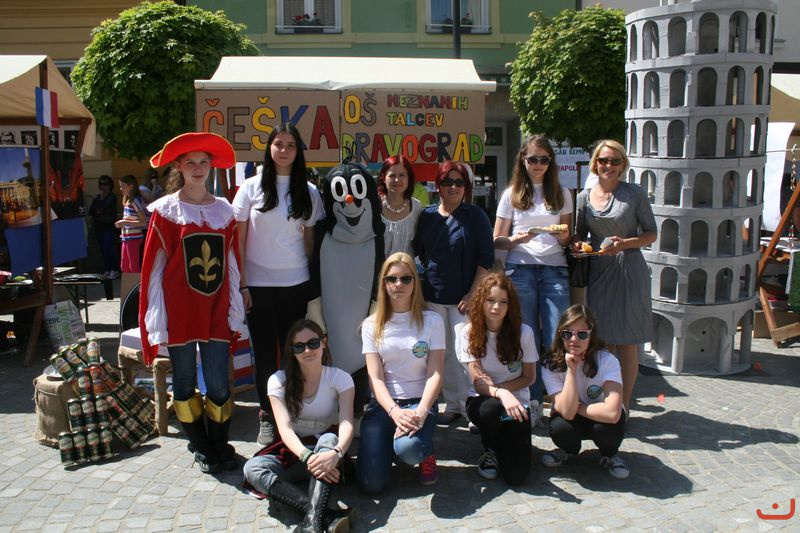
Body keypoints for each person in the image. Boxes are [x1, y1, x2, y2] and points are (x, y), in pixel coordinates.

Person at [138, 132, 246, 474]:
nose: (198, 169)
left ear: (210, 166)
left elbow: (232, 262)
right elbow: (154, 269)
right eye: (191, 163)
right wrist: (157, 314)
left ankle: (220, 444)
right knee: (184, 381)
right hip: (180, 309)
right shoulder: (166, 212)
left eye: (203, 162)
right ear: (180, 167)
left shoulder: (224, 211)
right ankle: (200, 445)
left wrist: (235, 302)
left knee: (218, 383)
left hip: (215, 308)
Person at [232, 123, 325, 447]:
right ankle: (268, 416)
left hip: (295, 284)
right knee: (264, 356)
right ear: (269, 148)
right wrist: (243, 285)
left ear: (298, 152)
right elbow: (238, 241)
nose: (284, 150)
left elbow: (310, 243)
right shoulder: (250, 188)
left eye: (290, 145)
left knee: (295, 353)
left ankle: (293, 412)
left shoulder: (309, 192)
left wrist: (311, 283)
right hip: (257, 286)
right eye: (278, 144)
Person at [243, 319, 354, 532]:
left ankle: (311, 526)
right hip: (295, 453)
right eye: (299, 346)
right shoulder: (278, 380)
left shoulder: (341, 378)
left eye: (313, 343)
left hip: (327, 455)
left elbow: (347, 423)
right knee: (252, 468)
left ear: (324, 343)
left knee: (329, 439)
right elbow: (284, 429)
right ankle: (323, 517)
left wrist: (337, 453)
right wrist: (307, 456)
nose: (307, 350)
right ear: (292, 351)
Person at [573, 140, 657, 409]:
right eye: (603, 160)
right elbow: (579, 234)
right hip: (600, 273)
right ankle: (606, 400)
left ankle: (624, 406)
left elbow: (651, 234)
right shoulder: (584, 197)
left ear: (623, 165)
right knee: (602, 341)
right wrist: (577, 244)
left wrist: (626, 243)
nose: (608, 165)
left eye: (614, 161)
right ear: (595, 163)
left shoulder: (634, 194)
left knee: (628, 343)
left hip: (629, 270)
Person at [493, 135, 572, 417]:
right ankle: (534, 400)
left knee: (557, 337)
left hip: (554, 268)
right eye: (533, 159)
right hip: (521, 268)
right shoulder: (511, 194)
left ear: (551, 162)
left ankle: (560, 400)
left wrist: (563, 235)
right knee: (527, 338)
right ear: (523, 161)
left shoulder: (562, 193)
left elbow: (567, 238)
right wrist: (516, 239)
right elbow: (497, 239)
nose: (538, 165)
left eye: (544, 159)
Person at [413, 160, 494, 425]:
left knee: (468, 353)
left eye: (459, 182)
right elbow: (420, 254)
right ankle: (453, 405)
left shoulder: (475, 216)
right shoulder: (427, 216)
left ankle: (473, 405)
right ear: (438, 185)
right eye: (448, 182)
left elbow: (485, 259)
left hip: (465, 299)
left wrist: (472, 294)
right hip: (434, 297)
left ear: (466, 187)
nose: (453, 187)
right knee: (443, 353)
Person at [358, 252, 445, 492]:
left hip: (419, 402)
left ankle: (424, 451)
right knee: (371, 485)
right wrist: (395, 412)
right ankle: (389, 443)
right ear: (383, 283)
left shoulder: (433, 321)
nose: (399, 284)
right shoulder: (371, 325)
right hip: (384, 406)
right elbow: (375, 378)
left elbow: (435, 374)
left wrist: (421, 412)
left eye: (406, 278)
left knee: (410, 450)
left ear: (415, 282)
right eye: (392, 279)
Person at [457, 273, 537, 485]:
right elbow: (478, 382)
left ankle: (504, 440)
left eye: (503, 302)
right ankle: (490, 449)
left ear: (511, 305)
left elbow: (529, 377)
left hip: (517, 403)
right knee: (490, 409)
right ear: (481, 301)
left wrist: (504, 391)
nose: (496, 307)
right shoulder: (469, 332)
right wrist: (501, 393)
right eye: (490, 300)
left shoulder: (524, 333)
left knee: (517, 477)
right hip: (483, 400)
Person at [540, 304, 629, 479]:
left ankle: (610, 454)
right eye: (567, 334)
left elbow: (612, 413)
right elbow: (566, 413)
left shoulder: (607, 360)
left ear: (591, 335)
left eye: (581, 334)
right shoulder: (550, 364)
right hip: (578, 416)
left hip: (602, 418)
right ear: (560, 335)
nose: (574, 339)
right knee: (560, 427)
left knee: (607, 429)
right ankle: (567, 450)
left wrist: (576, 407)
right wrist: (571, 371)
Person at [378, 155, 423, 256]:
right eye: (392, 175)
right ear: (384, 178)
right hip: (377, 266)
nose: (397, 180)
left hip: (407, 265)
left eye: (402, 175)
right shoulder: (374, 206)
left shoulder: (416, 207)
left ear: (408, 178)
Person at [115, 174, 147, 274]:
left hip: (134, 237)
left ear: (131, 186)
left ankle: (136, 284)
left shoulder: (136, 200)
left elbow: (143, 221)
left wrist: (125, 222)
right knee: (124, 265)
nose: (121, 189)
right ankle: (128, 283)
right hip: (126, 237)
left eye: (123, 186)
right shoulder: (128, 200)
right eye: (120, 186)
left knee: (133, 266)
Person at [89, 175, 119, 279]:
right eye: (101, 184)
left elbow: (103, 208)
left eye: (106, 184)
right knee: (102, 249)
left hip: (108, 227)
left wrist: (98, 210)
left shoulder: (112, 197)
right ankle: (108, 269)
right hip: (99, 227)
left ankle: (114, 270)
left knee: (108, 248)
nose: (103, 186)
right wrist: (97, 209)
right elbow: (92, 211)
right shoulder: (97, 197)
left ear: (110, 185)